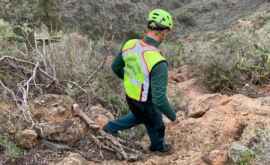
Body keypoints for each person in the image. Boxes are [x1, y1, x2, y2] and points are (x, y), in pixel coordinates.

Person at [103, 9, 176, 153]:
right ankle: (158, 149)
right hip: (145, 101)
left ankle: (110, 128)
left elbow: (115, 67)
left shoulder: (130, 44)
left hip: (131, 96)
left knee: (139, 116)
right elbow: (159, 100)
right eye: (168, 32)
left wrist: (130, 79)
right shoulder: (158, 61)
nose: (167, 35)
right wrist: (173, 117)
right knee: (157, 123)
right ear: (163, 32)